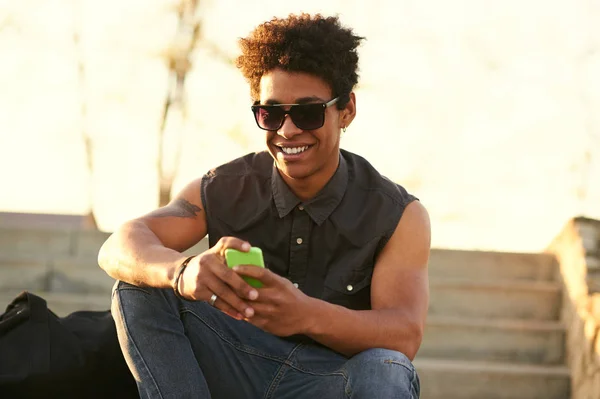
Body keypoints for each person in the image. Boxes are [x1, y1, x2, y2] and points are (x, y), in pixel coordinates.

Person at [99, 13, 430, 399]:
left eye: (308, 112)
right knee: (139, 285)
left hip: (330, 380)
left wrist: (305, 314)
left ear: (347, 110)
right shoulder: (223, 187)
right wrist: (182, 271)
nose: (288, 131)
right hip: (231, 362)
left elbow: (404, 334)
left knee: (386, 368)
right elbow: (119, 245)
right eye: (271, 114)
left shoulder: (396, 213)